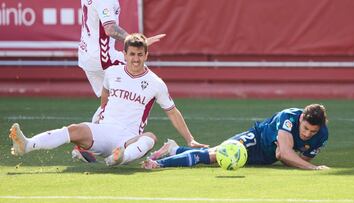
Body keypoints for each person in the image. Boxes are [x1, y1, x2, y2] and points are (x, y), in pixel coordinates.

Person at [9, 33, 208, 167]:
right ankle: (27, 145)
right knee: (74, 129)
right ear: (125, 54)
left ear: (147, 54)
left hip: (129, 139)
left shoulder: (156, 83)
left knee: (151, 137)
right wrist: (100, 114)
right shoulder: (112, 72)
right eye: (132, 54)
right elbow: (105, 94)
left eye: (140, 54)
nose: (136, 59)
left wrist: (190, 139)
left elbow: (172, 111)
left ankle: (119, 158)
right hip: (103, 132)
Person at [76, 0, 165, 161]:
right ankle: (124, 140)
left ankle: (87, 146)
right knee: (138, 65)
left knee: (110, 100)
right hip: (103, 57)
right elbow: (110, 29)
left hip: (86, 55)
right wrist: (137, 41)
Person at [142, 104, 330, 170]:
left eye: (312, 132)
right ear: (301, 118)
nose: (307, 134)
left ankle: (173, 148)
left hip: (266, 158)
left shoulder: (322, 135)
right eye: (305, 128)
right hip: (255, 139)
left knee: (214, 157)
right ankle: (159, 164)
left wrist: (292, 158)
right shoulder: (289, 117)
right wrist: (313, 168)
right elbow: (287, 155)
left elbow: (294, 160)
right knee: (212, 156)